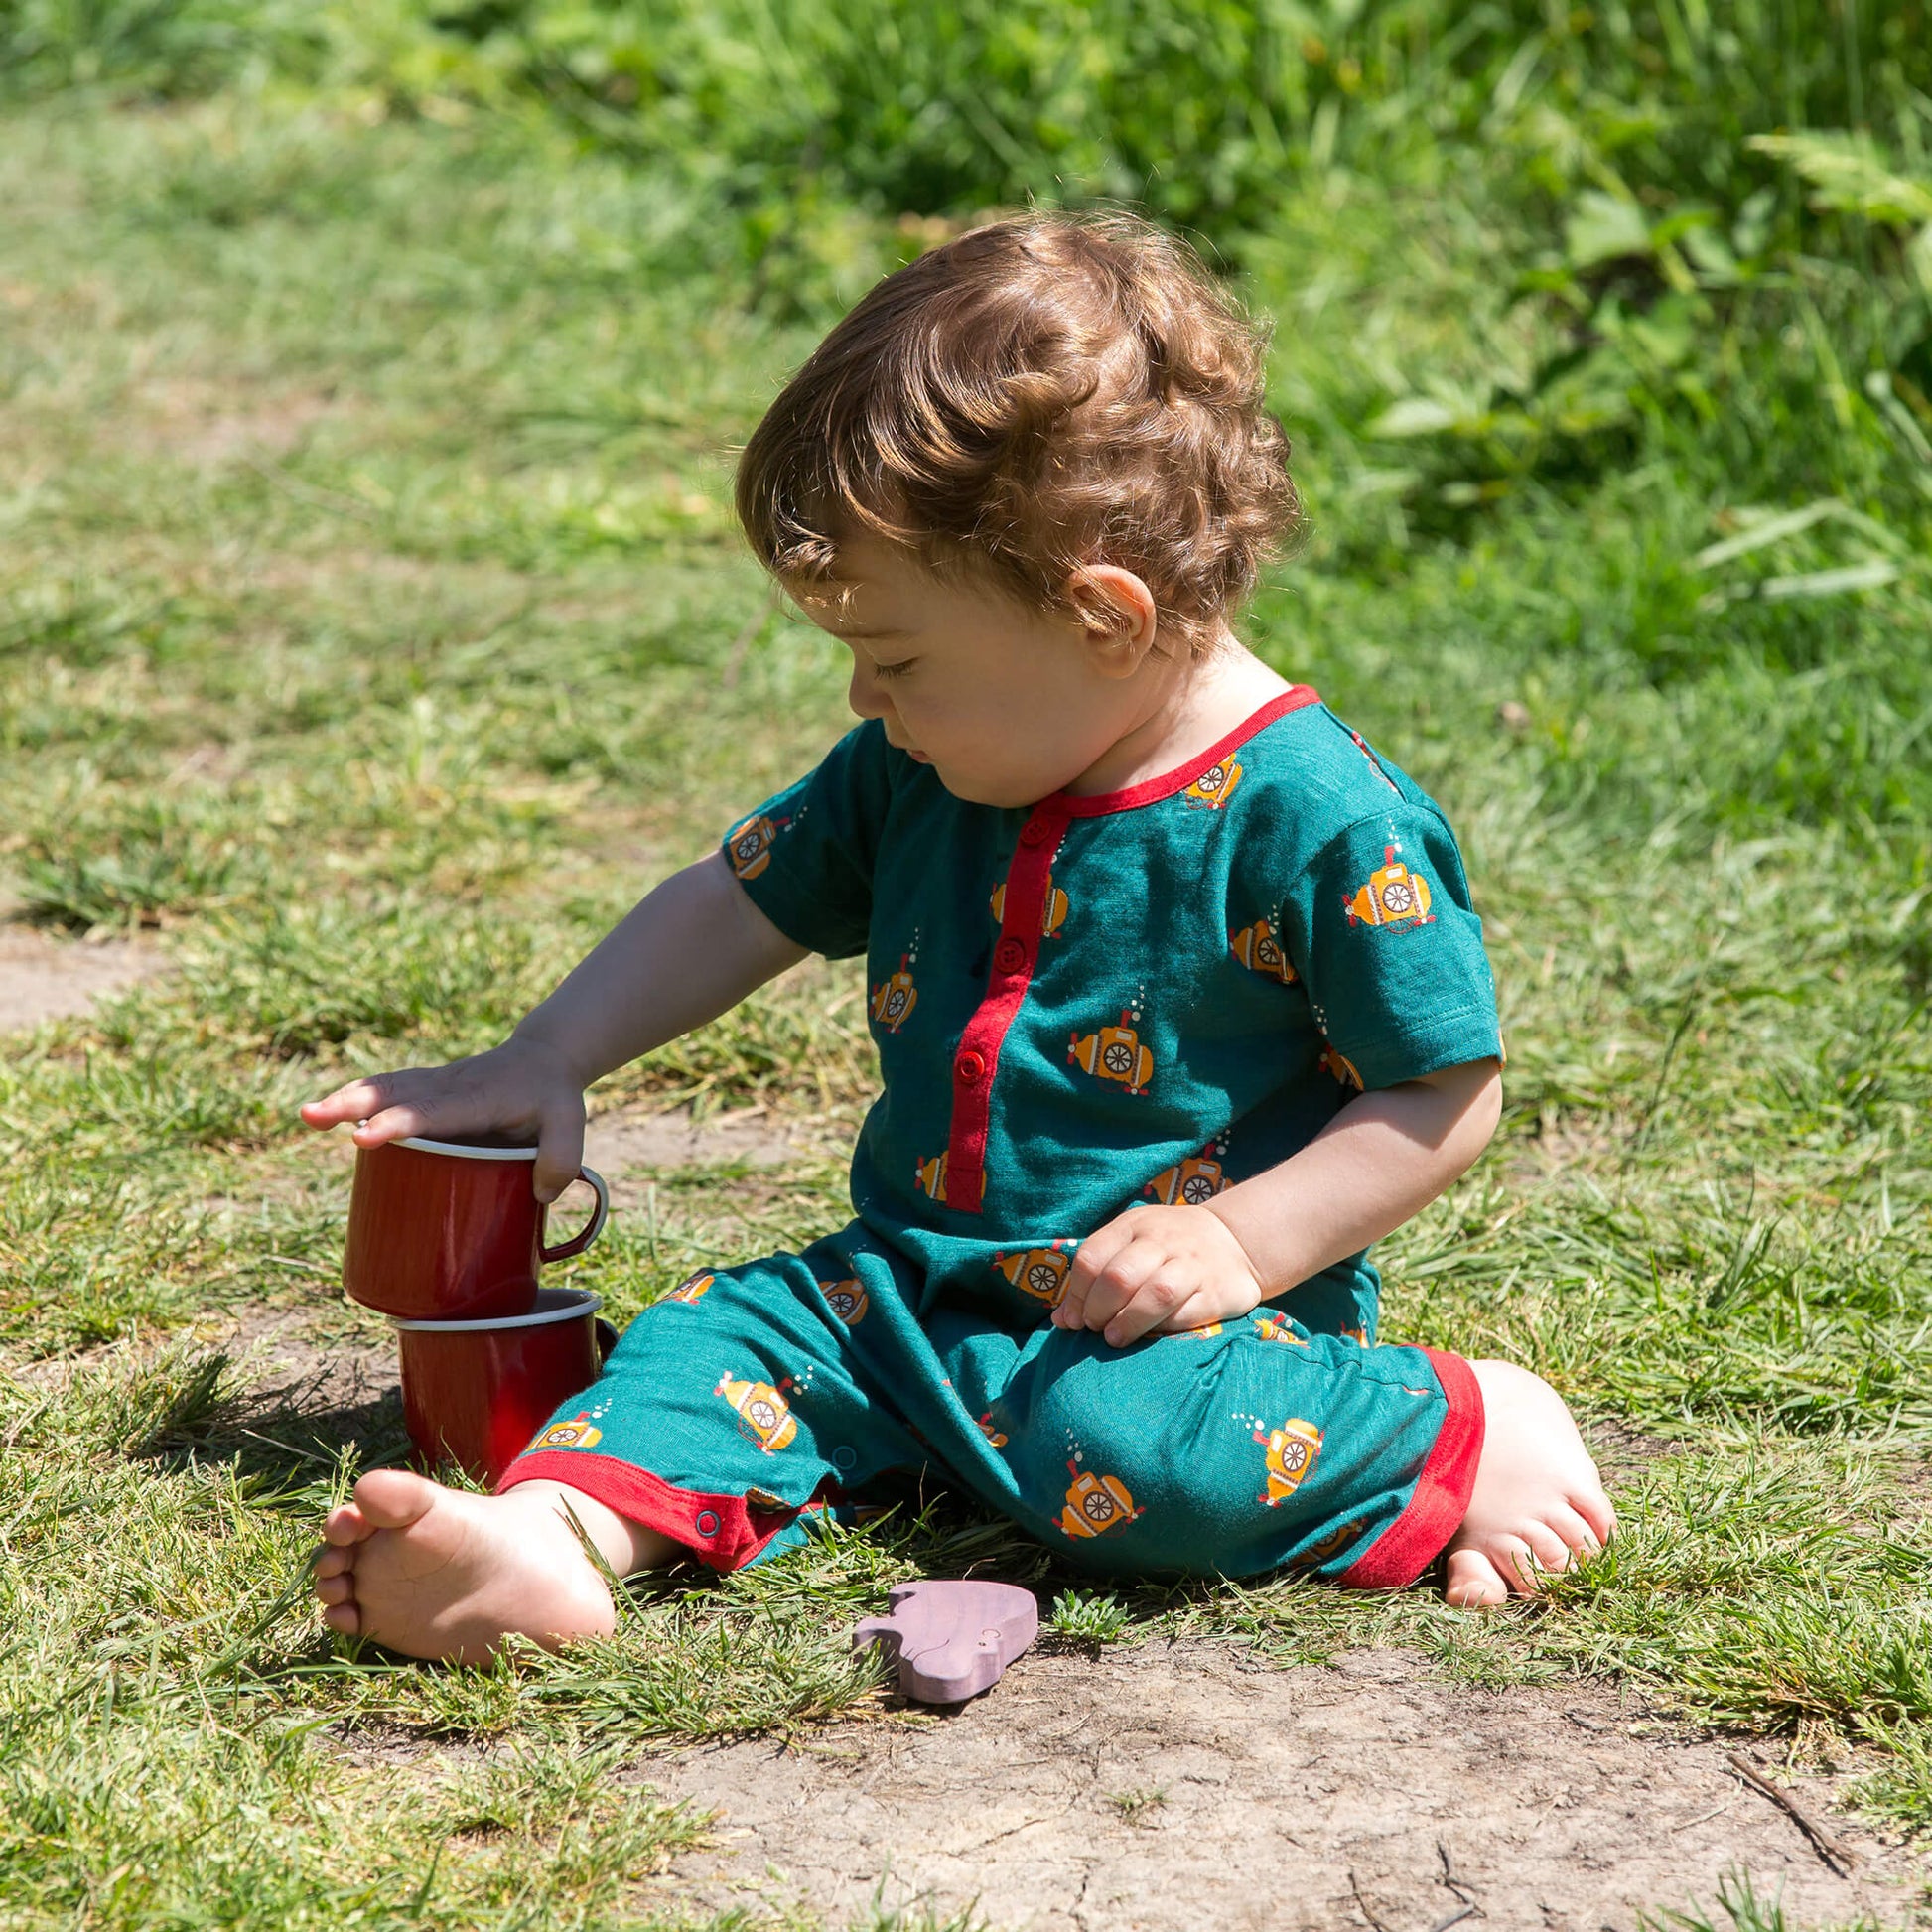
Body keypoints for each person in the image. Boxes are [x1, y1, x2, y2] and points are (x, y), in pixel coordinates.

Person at [304, 211, 1613, 1665]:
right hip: (901, 1290)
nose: (866, 702)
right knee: (718, 1337)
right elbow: (736, 895)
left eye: (899, 658)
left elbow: (1442, 1090)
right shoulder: (922, 767)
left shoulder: (1316, 819)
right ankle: (547, 1542)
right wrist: (551, 1050)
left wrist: (1237, 1244)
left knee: (1132, 1461)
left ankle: (1467, 1421)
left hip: (1164, 1341)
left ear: (1102, 615)